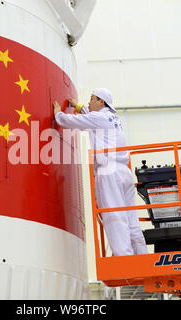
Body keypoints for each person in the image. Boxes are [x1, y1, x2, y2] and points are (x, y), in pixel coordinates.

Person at [53, 88, 148, 256]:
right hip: (124, 172)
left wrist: (58, 114)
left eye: (92, 99)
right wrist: (78, 106)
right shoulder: (112, 118)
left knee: (114, 215)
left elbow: (74, 121)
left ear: (101, 102)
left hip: (109, 173)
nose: (88, 102)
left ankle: (123, 257)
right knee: (131, 218)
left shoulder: (98, 117)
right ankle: (141, 255)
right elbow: (88, 114)